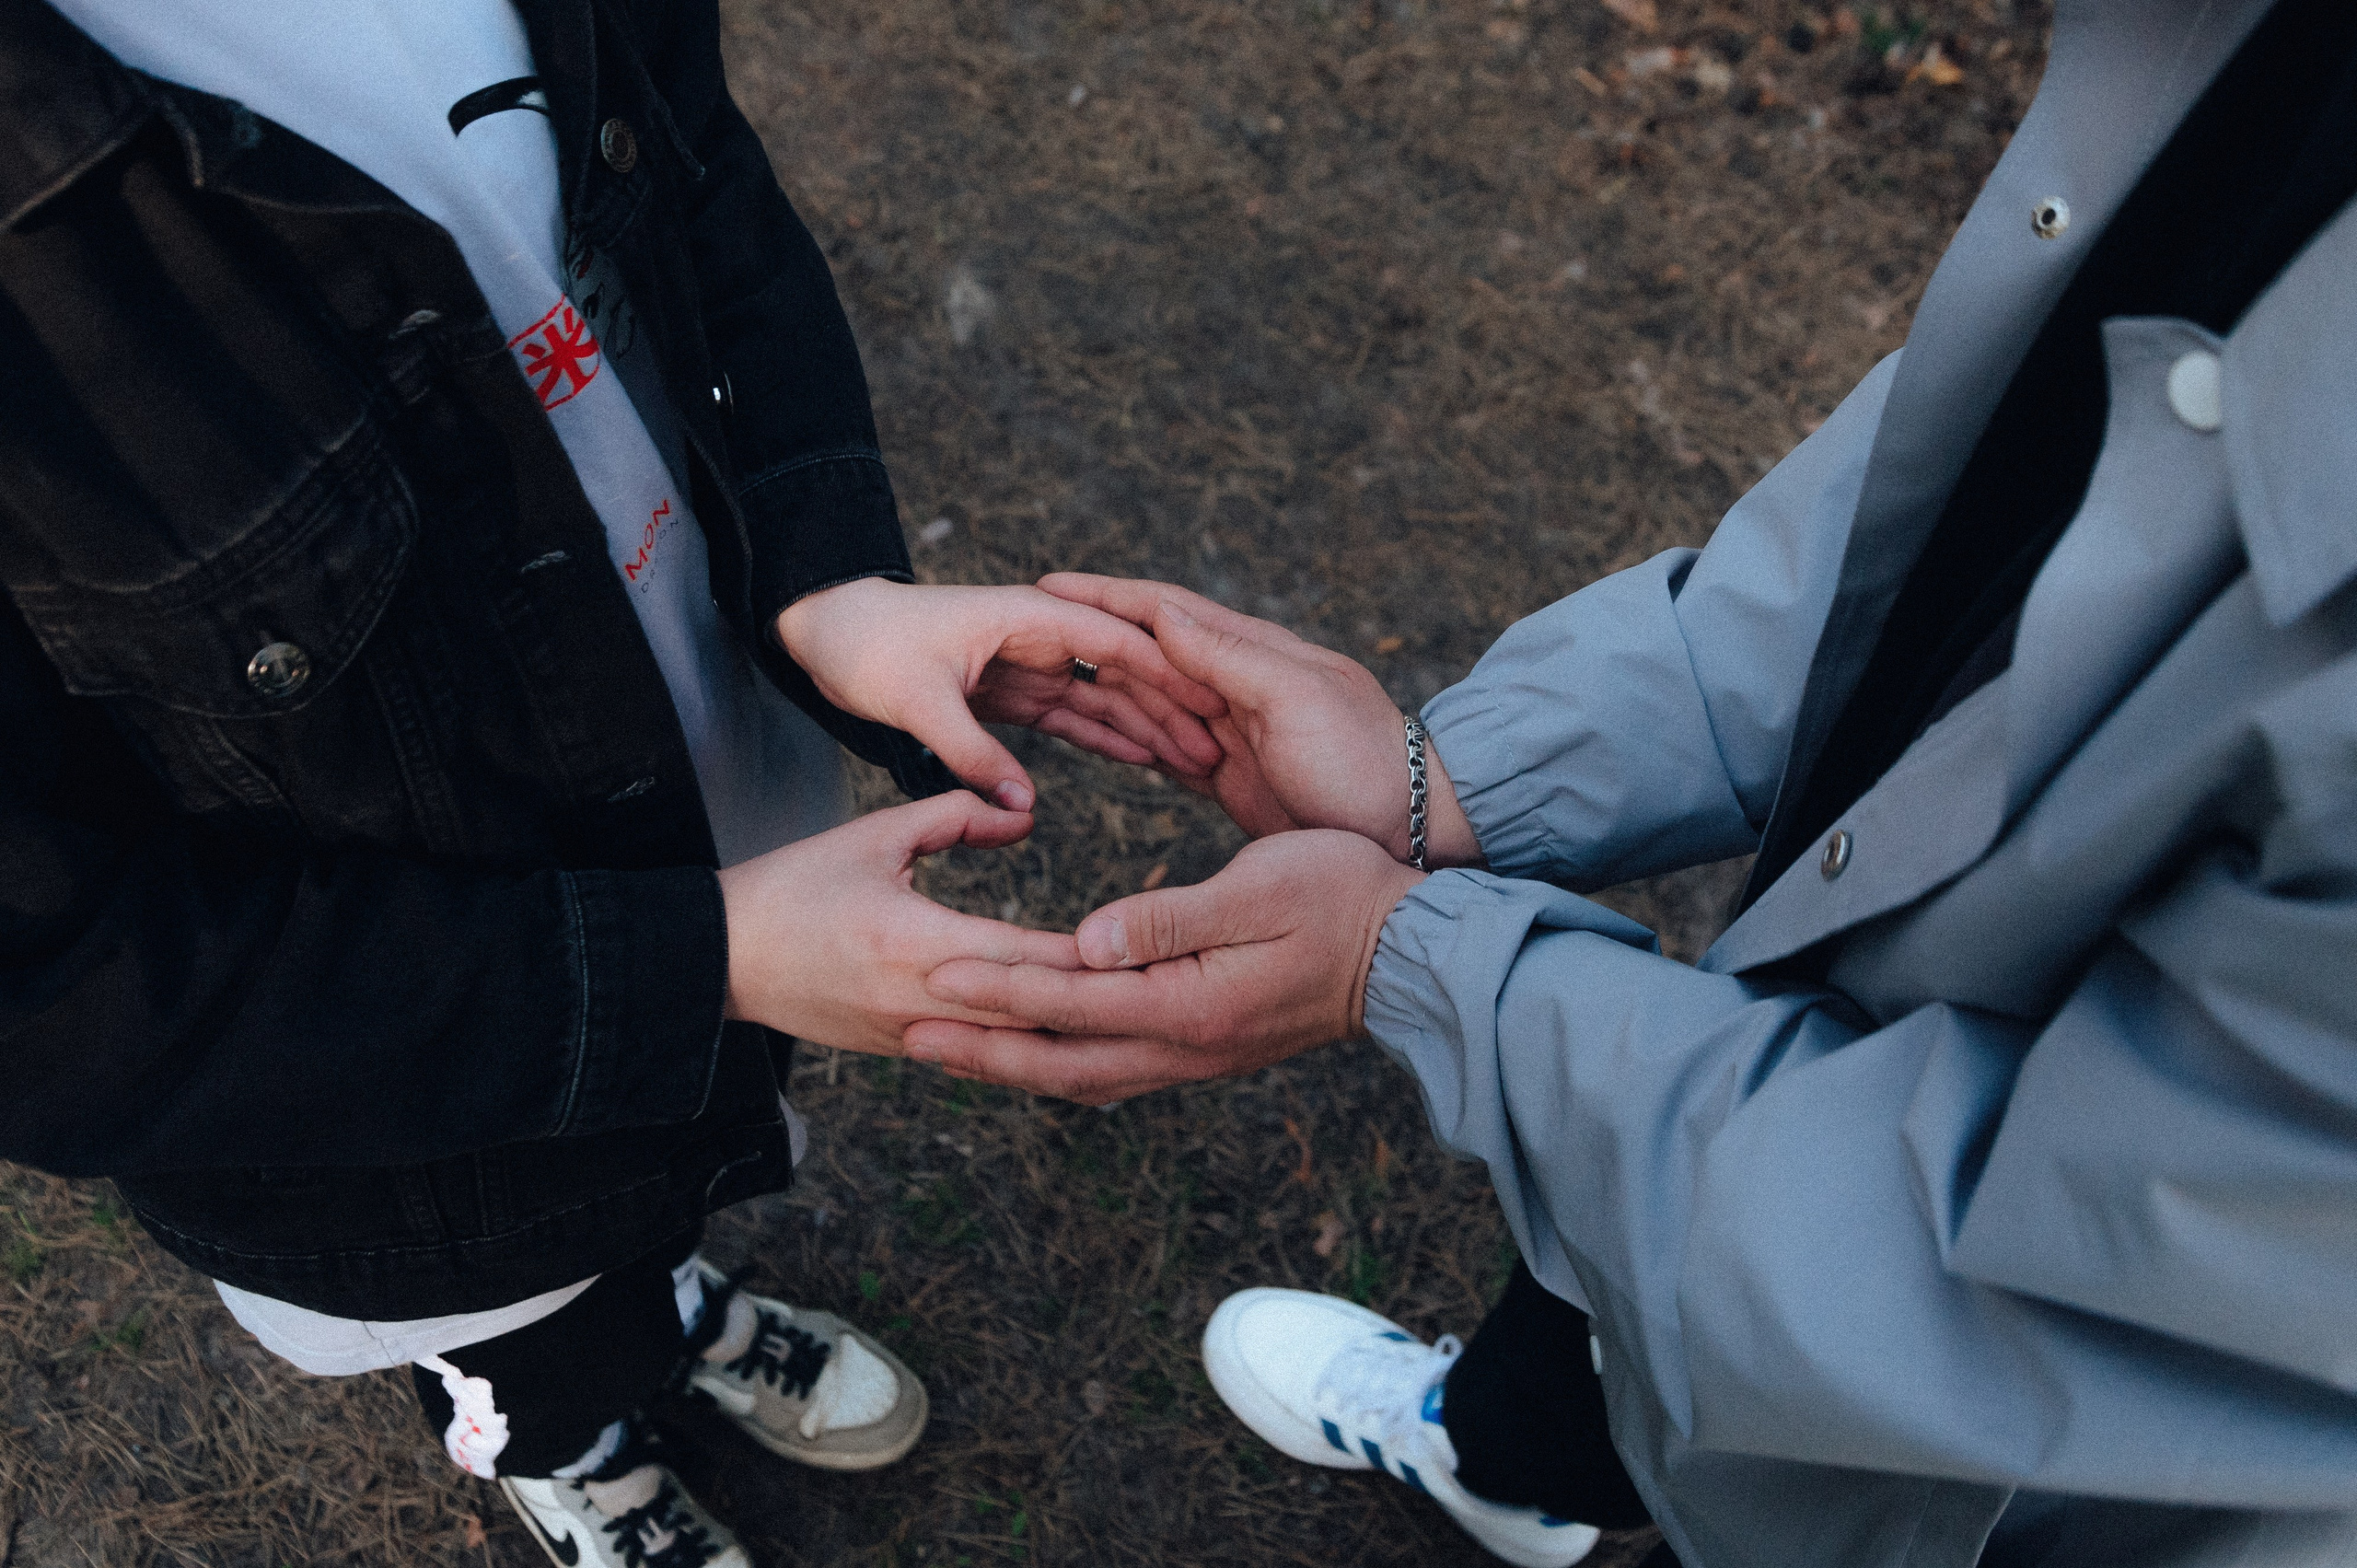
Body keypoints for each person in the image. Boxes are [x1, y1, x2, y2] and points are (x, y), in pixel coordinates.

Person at [904, 1, 2357, 1564]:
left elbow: (2048, 1280)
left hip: (2051, 1495)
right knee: (1603, 1316)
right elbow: (1980, 490)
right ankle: (1511, 1460)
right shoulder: (2254, 50)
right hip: (1769, 1100)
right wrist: (1462, 785)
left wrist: (1419, 962)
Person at [0, 3, 1218, 1564]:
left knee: (654, 1213)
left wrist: (827, 574)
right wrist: (700, 962)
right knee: (531, 1340)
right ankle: (574, 1456)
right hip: (417, 1162)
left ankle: (668, 1305)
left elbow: (690, 178)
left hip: (717, 825)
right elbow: (54, 994)